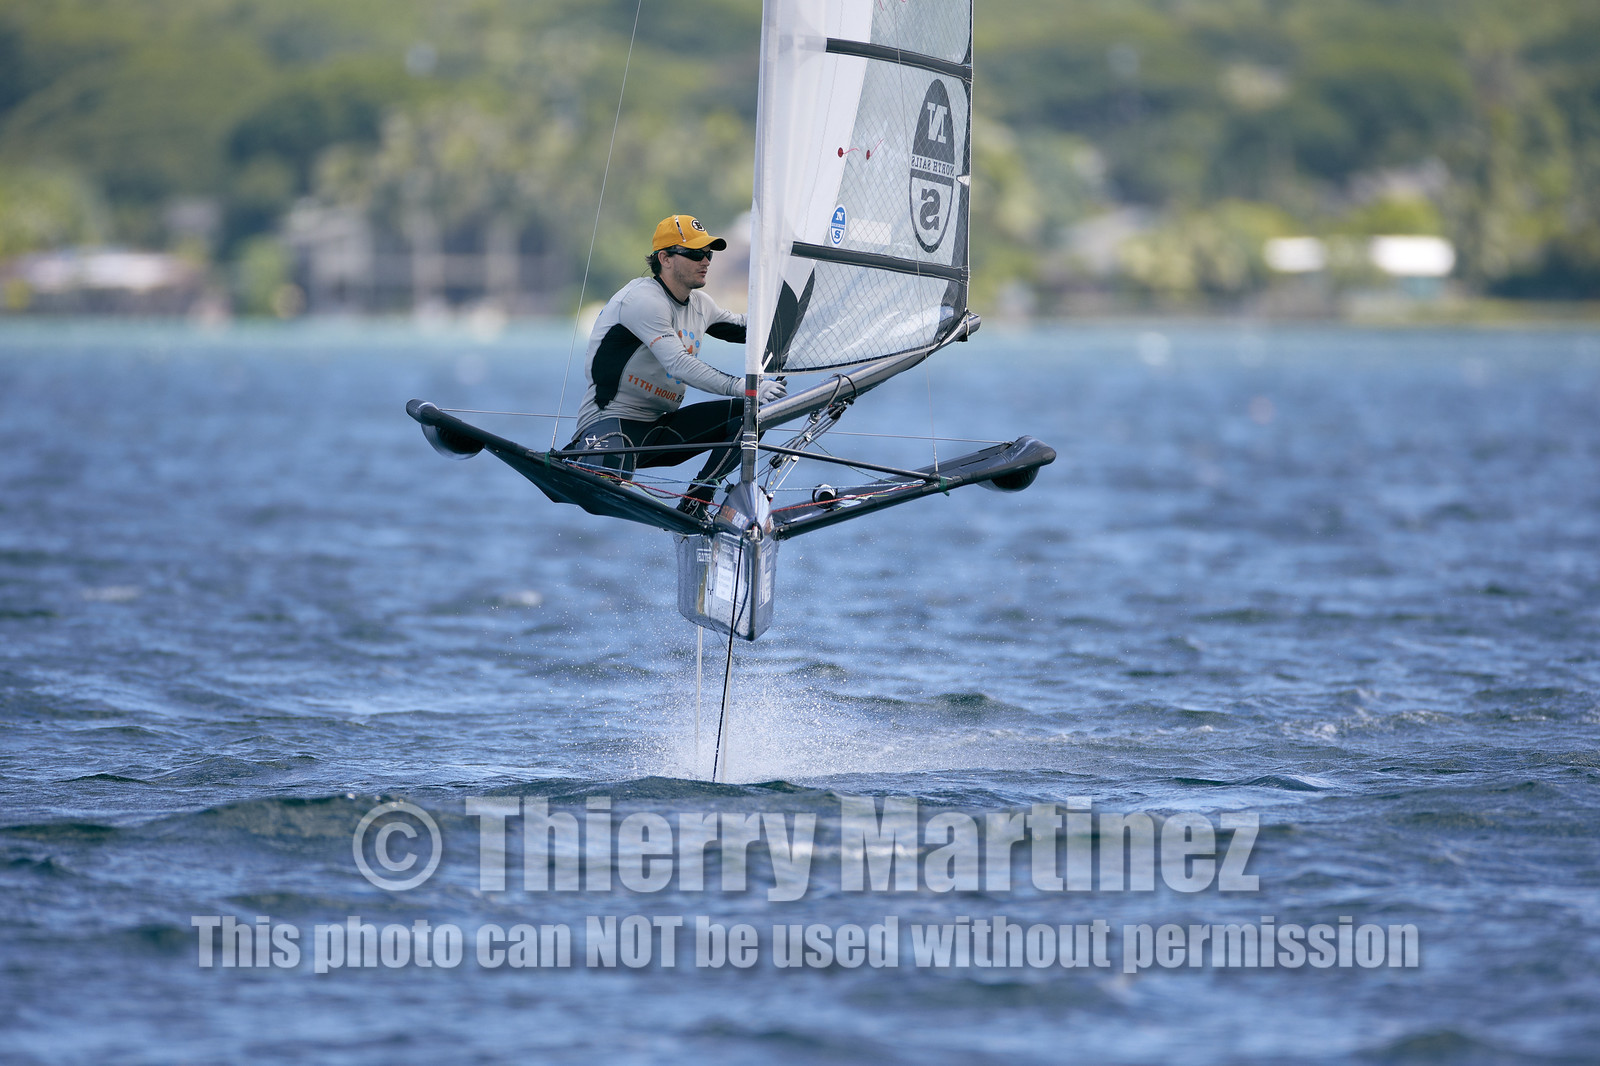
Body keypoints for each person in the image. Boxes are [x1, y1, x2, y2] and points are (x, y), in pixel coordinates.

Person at [564, 214, 785, 516]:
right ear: (665, 258)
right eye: (694, 254)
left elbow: (757, 332)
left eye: (708, 254)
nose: (705, 261)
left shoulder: (701, 305)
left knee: (754, 414)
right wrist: (749, 387)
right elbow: (679, 364)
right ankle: (578, 457)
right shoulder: (642, 300)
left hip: (661, 430)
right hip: (613, 427)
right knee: (603, 488)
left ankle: (697, 501)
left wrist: (805, 320)